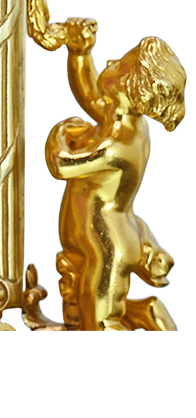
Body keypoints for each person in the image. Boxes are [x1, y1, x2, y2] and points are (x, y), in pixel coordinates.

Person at [46, 20, 185, 330]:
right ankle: (147, 313)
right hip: (105, 234)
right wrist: (80, 52)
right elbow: (88, 92)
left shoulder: (120, 145)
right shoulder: (122, 120)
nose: (111, 61)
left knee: (100, 323)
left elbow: (61, 165)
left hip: (108, 246)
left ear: (133, 89)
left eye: (121, 65)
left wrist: (60, 132)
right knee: (89, 312)